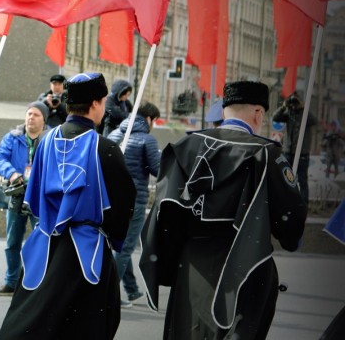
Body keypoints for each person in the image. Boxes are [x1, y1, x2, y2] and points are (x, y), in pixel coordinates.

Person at [140, 80, 307, 340]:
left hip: (193, 263)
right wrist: (290, 238)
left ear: (224, 110)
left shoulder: (186, 147)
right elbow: (291, 224)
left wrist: (174, 259)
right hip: (245, 263)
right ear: (258, 113)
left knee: (188, 333)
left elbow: (164, 214)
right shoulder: (266, 154)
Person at [0, 73, 135, 340]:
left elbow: (34, 198)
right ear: (96, 103)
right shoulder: (105, 148)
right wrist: (113, 237)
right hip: (87, 247)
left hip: (46, 242)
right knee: (84, 323)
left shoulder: (46, 142)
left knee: (35, 318)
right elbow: (121, 206)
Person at [107, 101, 161, 308]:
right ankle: (108, 293)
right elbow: (157, 169)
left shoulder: (114, 135)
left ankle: (132, 290)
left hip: (111, 199)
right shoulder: (146, 139)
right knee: (126, 247)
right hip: (134, 200)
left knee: (118, 244)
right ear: (149, 119)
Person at [0, 101, 48, 296]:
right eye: (29, 114)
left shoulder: (50, 139)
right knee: (12, 242)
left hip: (40, 197)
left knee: (41, 240)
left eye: (36, 115)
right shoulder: (13, 138)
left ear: (44, 119)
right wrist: (12, 173)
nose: (31, 117)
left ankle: (38, 282)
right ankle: (11, 281)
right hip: (16, 194)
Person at [272, 92, 318, 205]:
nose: (294, 104)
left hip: (302, 154)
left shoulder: (305, 114)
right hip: (288, 153)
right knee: (285, 179)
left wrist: (303, 107)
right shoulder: (288, 113)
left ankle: (303, 205)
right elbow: (275, 117)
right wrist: (284, 106)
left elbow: (314, 121)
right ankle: (285, 202)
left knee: (302, 181)